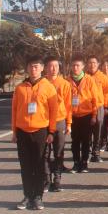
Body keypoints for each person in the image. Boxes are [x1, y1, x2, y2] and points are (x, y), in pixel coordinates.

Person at [11, 56, 59, 210]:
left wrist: (51, 132)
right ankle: (27, 195)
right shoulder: (20, 88)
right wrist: (14, 132)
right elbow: (14, 110)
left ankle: (38, 196)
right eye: (31, 66)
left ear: (42, 68)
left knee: (39, 165)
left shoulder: (48, 87)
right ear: (27, 68)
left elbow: (54, 111)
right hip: (22, 131)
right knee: (25, 166)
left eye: (36, 66)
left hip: (41, 131)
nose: (33, 69)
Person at [68, 56, 102, 174]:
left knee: (86, 141)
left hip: (86, 115)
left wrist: (94, 115)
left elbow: (95, 99)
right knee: (75, 141)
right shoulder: (67, 81)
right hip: (73, 116)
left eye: (78, 65)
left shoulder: (89, 80)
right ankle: (76, 163)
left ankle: (84, 163)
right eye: (73, 65)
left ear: (83, 66)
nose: (75, 68)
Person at [43, 56, 71, 192]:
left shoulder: (64, 83)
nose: (53, 69)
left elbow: (68, 106)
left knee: (59, 151)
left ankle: (57, 180)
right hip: (44, 121)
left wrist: (69, 123)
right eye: (50, 66)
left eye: (56, 66)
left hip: (59, 121)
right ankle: (46, 180)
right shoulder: (42, 83)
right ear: (45, 68)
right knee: (45, 152)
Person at [93, 58, 108, 152]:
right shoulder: (99, 77)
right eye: (104, 65)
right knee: (102, 126)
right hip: (102, 105)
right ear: (101, 66)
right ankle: (102, 143)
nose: (106, 67)